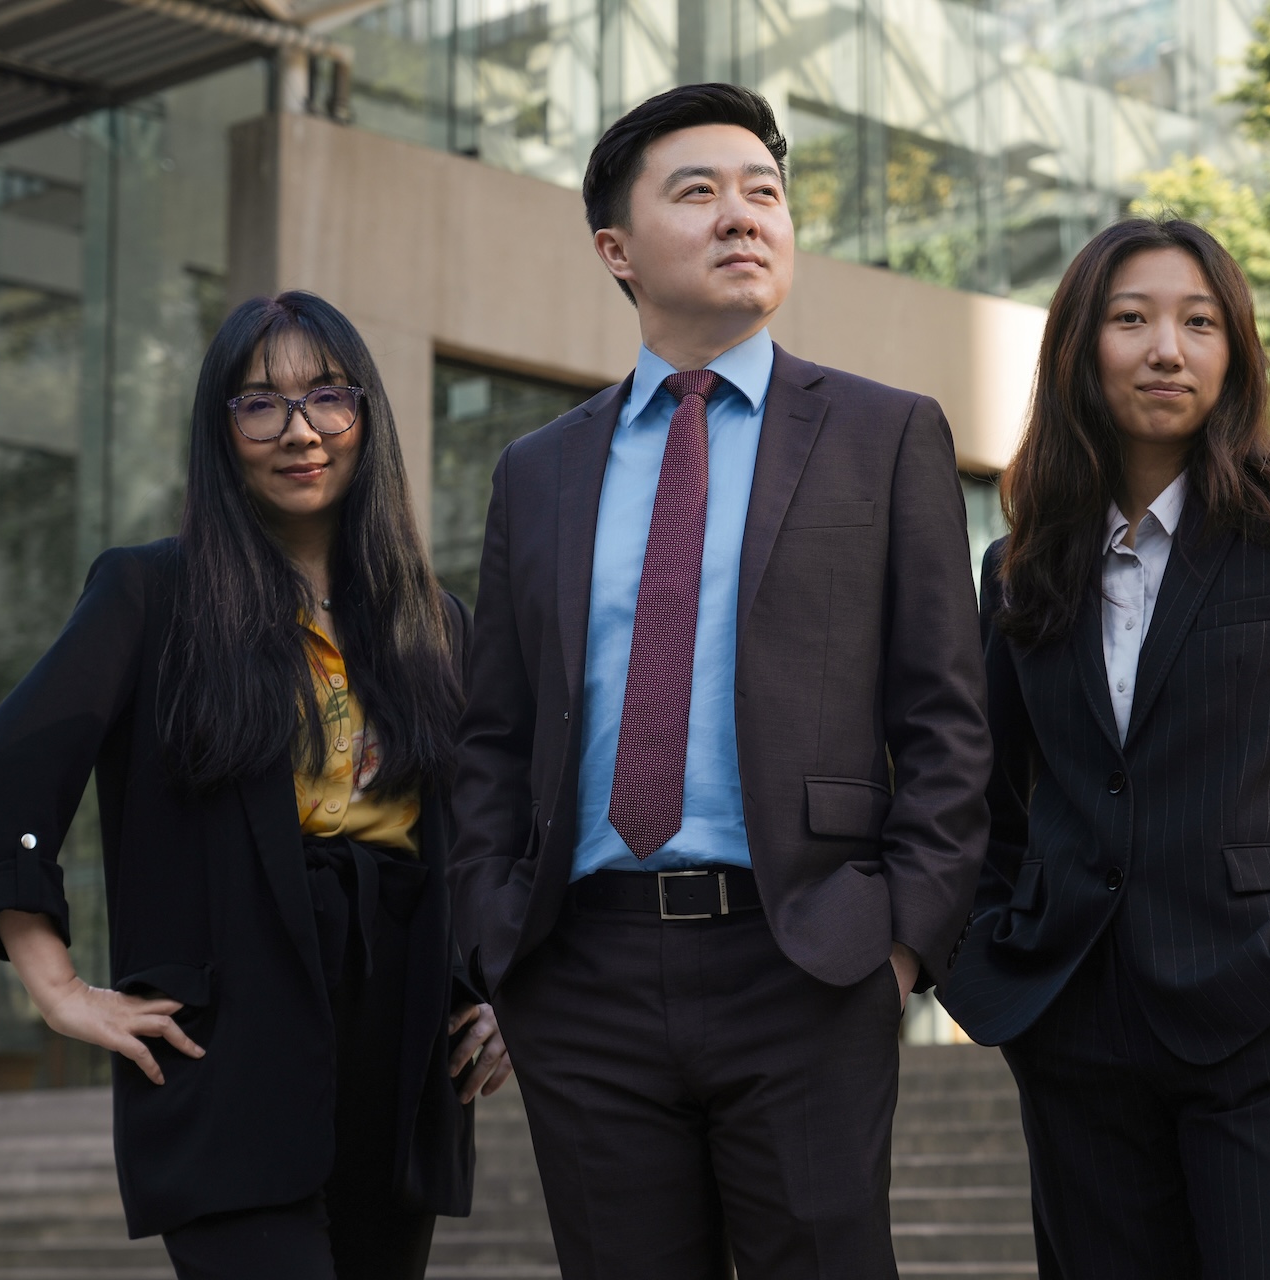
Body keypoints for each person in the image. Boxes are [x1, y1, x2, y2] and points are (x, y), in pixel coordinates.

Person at [448, 83, 990, 1280]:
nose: (744, 215)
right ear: (617, 249)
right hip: (582, 972)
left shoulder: (884, 435)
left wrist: (900, 944)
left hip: (805, 959)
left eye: (765, 192)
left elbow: (947, 719)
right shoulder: (539, 470)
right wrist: (498, 937)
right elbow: (496, 733)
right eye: (698, 193)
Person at [0, 292, 511, 1279]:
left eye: (327, 396)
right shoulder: (151, 593)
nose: (300, 430)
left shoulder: (434, 622)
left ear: (367, 416)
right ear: (222, 431)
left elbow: (486, 825)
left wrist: (502, 984)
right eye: (260, 404)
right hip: (231, 1053)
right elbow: (6, 774)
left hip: (401, 1051)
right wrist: (59, 989)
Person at [938, 217, 1270, 1278]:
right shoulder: (1022, 567)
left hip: (1265, 1012)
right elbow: (985, 795)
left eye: (1199, 323)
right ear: (1081, 347)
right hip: (1075, 1024)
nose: (1167, 349)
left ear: (1233, 351)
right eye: (1132, 320)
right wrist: (991, 950)